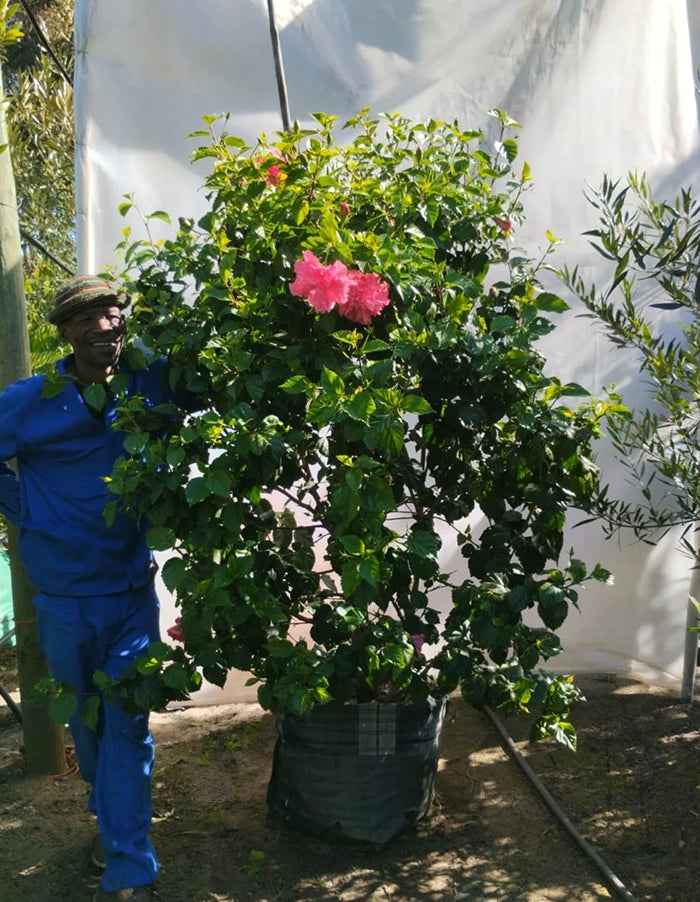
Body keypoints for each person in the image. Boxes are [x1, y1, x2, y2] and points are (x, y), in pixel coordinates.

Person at [0, 274, 195, 901]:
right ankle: (110, 821)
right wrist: (26, 507)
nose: (104, 326)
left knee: (127, 723)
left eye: (112, 314)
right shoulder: (31, 400)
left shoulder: (146, 381)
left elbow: (213, 381)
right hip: (60, 601)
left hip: (129, 592)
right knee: (88, 726)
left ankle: (130, 869)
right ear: (64, 333)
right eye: (87, 318)